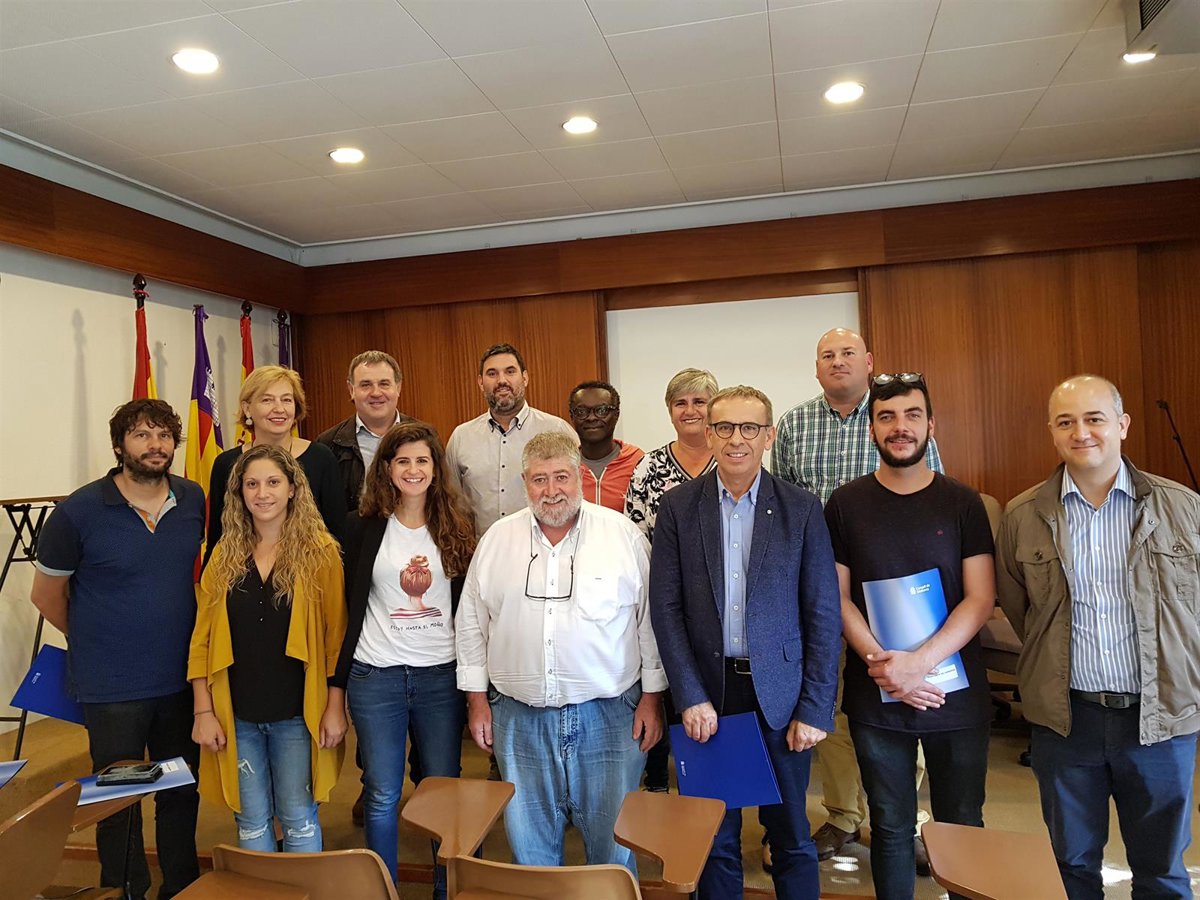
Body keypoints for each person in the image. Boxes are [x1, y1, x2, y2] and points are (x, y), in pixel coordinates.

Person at [996, 375, 1200, 900]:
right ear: (1052, 432)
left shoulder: (1183, 508)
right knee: (1072, 868)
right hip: (1067, 722)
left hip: (1159, 722)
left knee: (1162, 872)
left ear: (1122, 425)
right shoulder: (1023, 516)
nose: (1081, 432)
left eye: (1094, 419)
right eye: (1066, 422)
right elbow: (1023, 613)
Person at [650, 385, 841, 900]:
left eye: (750, 428)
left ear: (769, 436)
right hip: (709, 697)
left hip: (782, 698)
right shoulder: (678, 508)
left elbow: (823, 614)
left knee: (791, 835)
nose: (737, 439)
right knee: (714, 837)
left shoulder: (802, 509)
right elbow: (666, 609)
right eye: (726, 427)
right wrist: (688, 695)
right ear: (709, 435)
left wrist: (816, 708)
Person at [772, 328, 943, 867]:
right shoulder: (795, 424)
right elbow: (782, 506)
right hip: (821, 589)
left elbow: (931, 492)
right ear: (816, 367)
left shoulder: (898, 416)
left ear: (869, 362)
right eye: (827, 355)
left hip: (894, 588)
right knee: (834, 702)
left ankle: (901, 819)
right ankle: (843, 815)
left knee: (903, 695)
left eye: (848, 353)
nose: (838, 362)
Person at [456, 432, 665, 870]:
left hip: (610, 717)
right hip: (519, 719)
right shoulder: (497, 540)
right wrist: (476, 700)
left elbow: (650, 623)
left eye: (561, 477)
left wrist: (652, 698)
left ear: (580, 477)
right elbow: (472, 624)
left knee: (613, 849)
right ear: (524, 483)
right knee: (529, 847)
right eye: (539, 480)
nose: (551, 490)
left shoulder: (622, 536)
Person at [825, 373, 995, 900]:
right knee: (891, 824)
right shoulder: (844, 505)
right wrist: (887, 666)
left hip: (955, 695)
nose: (900, 427)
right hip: (876, 692)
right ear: (871, 430)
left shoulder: (963, 503)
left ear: (931, 425)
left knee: (962, 822)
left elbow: (980, 598)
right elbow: (837, 597)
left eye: (912, 415)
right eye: (887, 417)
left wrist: (917, 664)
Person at [32, 398, 205, 899]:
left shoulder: (192, 499)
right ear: (118, 446)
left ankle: (181, 886)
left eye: (164, 435)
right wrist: (98, 638)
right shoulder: (78, 512)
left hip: (180, 679)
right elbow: (46, 596)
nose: (156, 445)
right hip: (113, 689)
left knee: (180, 790)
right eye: (142, 435)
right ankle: (125, 890)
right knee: (119, 798)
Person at [333, 421, 476, 899]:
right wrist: (337, 688)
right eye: (402, 461)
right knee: (381, 792)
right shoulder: (361, 527)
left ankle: (445, 889)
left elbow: (470, 610)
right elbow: (348, 606)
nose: (413, 470)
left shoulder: (457, 525)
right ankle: (385, 891)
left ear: (436, 468)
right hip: (376, 676)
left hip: (441, 678)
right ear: (387, 469)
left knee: (443, 788)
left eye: (422, 460)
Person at [189, 445, 347, 853]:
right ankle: (260, 886)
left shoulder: (321, 552)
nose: (262, 493)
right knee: (250, 818)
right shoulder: (223, 555)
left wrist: (335, 706)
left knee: (298, 816)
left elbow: (336, 637)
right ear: (239, 493)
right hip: (236, 712)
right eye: (252, 484)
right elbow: (202, 639)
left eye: (273, 482)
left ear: (293, 488)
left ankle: (302, 886)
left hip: (297, 713)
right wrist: (203, 711)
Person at [206, 365, 346, 563]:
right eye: (267, 400)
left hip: (311, 572)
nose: (279, 409)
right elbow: (218, 537)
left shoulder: (321, 458)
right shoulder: (226, 464)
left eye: (286, 400)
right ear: (247, 408)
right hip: (243, 573)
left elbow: (338, 534)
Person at [445, 342, 575, 536]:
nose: (502, 380)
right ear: (480, 382)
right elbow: (451, 504)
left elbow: (577, 495)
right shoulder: (461, 438)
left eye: (510, 371)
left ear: (525, 378)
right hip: (482, 550)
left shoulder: (557, 430)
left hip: (544, 549)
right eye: (492, 374)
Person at [625, 367, 718, 544]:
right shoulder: (648, 467)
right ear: (670, 412)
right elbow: (634, 541)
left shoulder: (733, 461)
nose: (690, 411)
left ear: (714, 409)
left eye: (699, 402)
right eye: (680, 403)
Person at [316, 350, 413, 511]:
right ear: (351, 390)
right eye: (366, 385)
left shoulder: (425, 437)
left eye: (384, 384)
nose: (376, 393)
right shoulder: (328, 444)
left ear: (398, 387)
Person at [568, 380, 644, 511]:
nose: (591, 418)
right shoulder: (564, 465)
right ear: (572, 416)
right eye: (581, 411)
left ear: (616, 415)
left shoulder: (639, 462)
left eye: (601, 410)